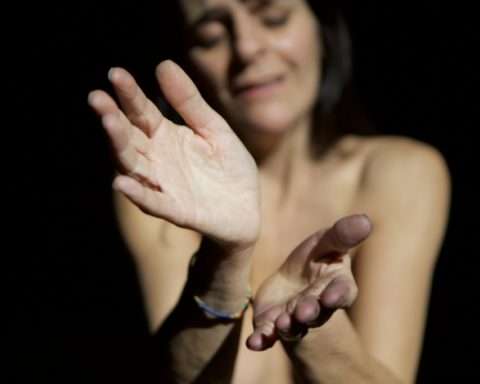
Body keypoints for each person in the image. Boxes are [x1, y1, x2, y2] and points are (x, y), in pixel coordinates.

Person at [87, 1, 451, 383]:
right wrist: (224, 259)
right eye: (210, 36)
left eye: (273, 17)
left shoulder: (398, 173)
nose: (246, 48)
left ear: (322, 29)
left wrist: (311, 327)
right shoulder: (163, 185)